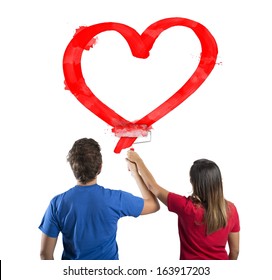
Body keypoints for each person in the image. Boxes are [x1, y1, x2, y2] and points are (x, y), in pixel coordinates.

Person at [38, 138, 160, 260]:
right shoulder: (115, 199)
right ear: (100, 168)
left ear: (72, 167)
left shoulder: (57, 203)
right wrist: (135, 172)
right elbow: (153, 205)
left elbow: (45, 254)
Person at [127, 150, 240, 260]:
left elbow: (153, 187)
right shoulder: (231, 209)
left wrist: (138, 161)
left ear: (193, 182)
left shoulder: (186, 207)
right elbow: (235, 251)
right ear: (218, 181)